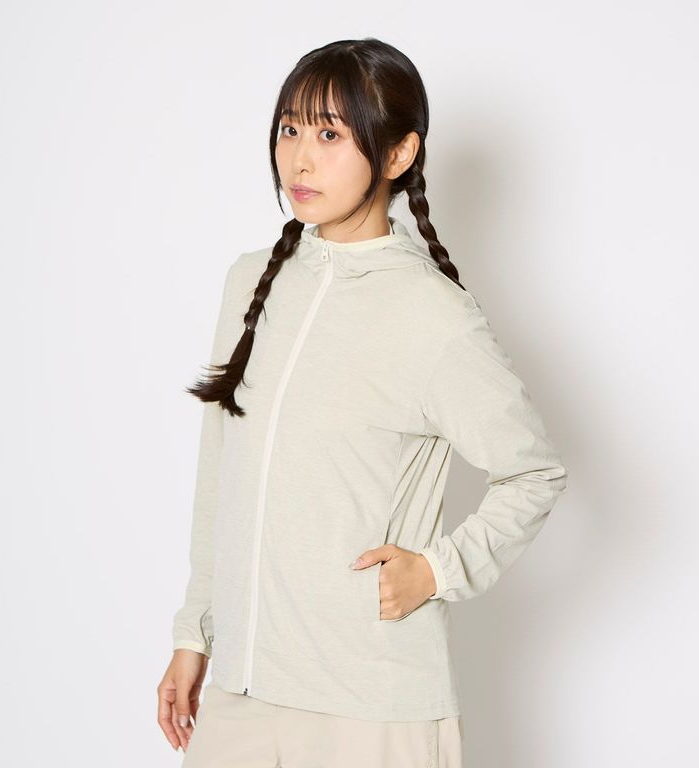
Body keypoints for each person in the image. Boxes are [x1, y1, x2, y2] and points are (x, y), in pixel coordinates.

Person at [156, 37, 568, 768]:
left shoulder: (432, 316)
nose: (299, 160)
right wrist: (196, 632)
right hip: (242, 695)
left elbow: (534, 472)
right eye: (290, 129)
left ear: (399, 153)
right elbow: (221, 470)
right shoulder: (251, 282)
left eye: (329, 135)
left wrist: (438, 569)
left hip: (371, 707)